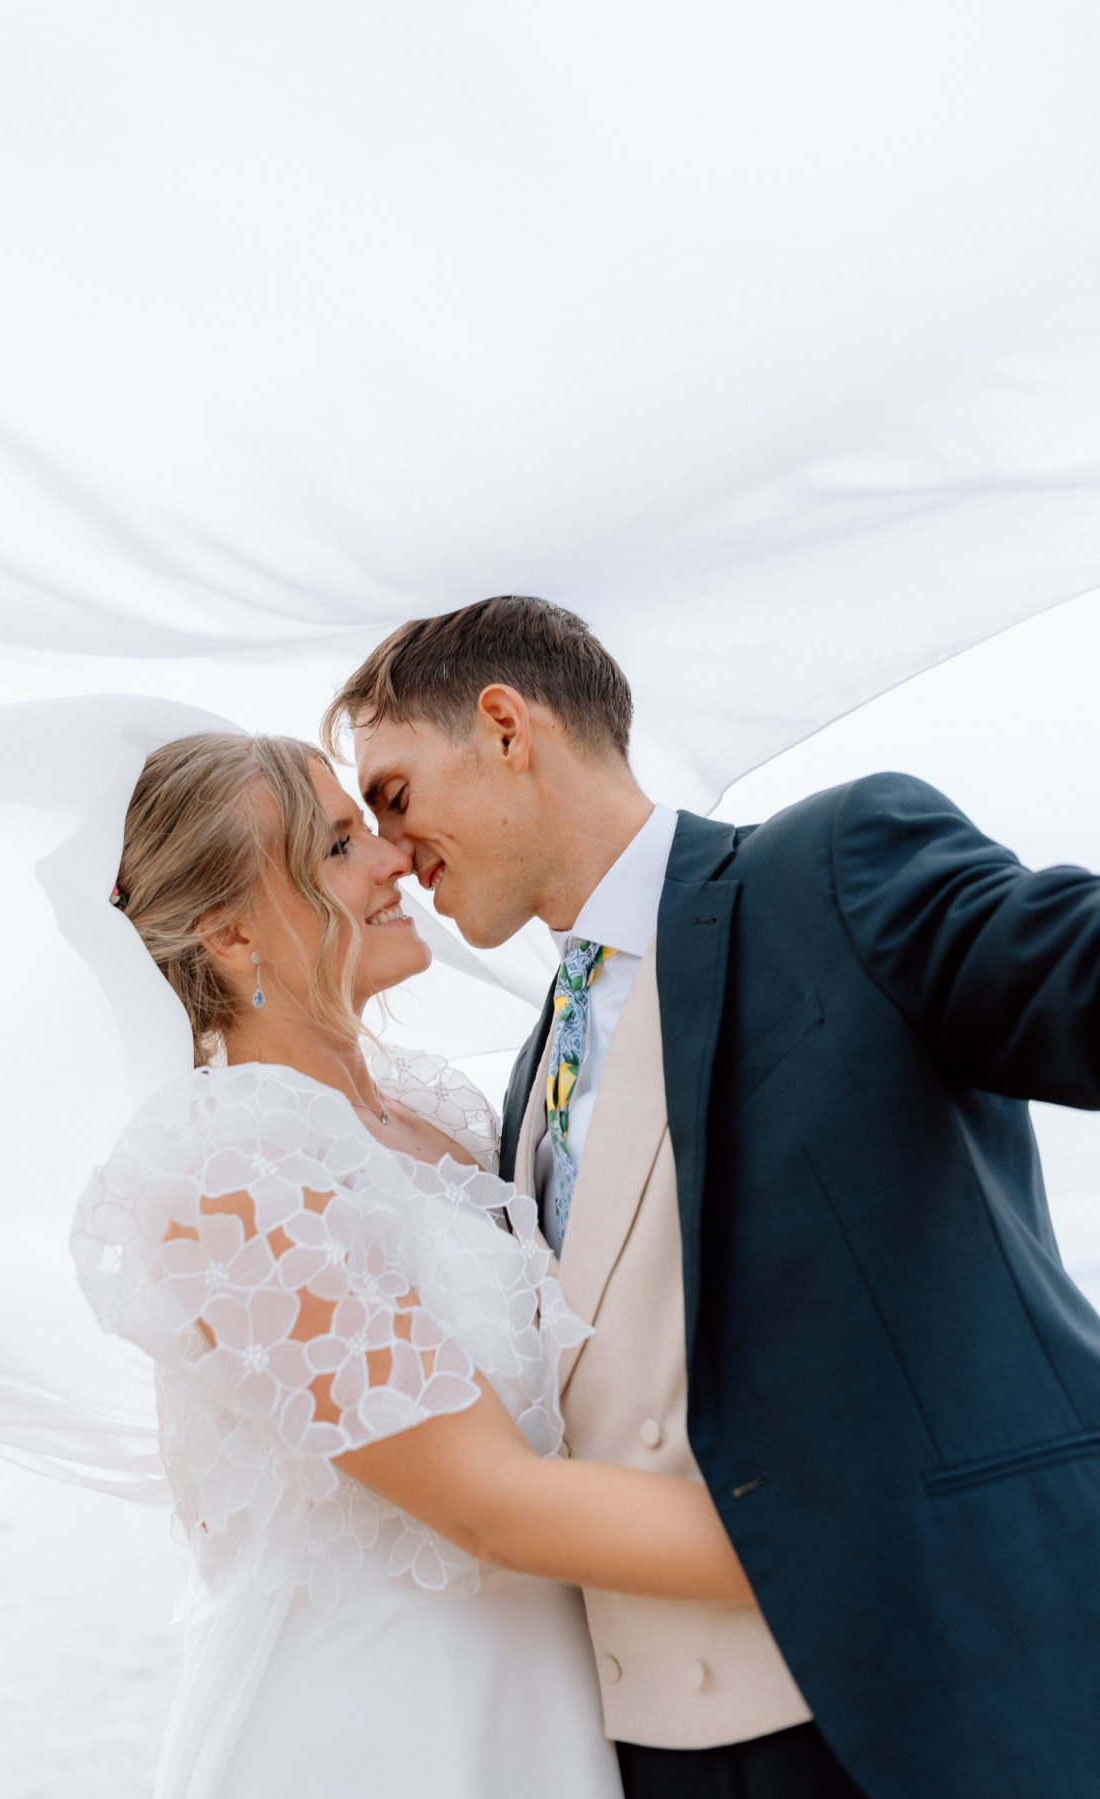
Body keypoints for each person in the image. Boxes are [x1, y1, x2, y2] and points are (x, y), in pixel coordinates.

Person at [328, 593, 1100, 1799]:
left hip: (939, 1681)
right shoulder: (532, 1078)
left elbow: (1076, 976)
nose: (390, 850)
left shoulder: (831, 869)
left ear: (505, 726)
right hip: (656, 1751)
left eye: (393, 792)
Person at [72, 730, 753, 1799]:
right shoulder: (225, 1171)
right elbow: (487, 1499)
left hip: (559, 1692)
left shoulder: (438, 1115)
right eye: (340, 843)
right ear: (233, 934)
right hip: (381, 1724)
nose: (395, 856)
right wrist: (839, 1545)